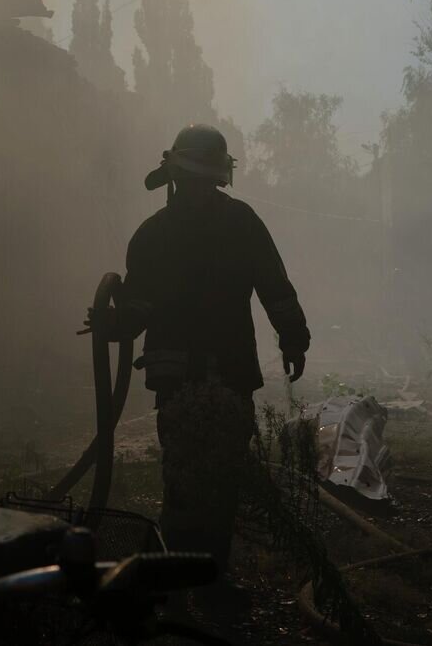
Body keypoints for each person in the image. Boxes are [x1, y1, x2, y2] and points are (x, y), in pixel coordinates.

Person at [89, 124, 310, 567]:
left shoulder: (159, 233)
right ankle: (191, 571)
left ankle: (197, 574)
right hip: (206, 377)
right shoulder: (231, 224)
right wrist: (115, 323)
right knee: (194, 472)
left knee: (205, 472)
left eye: (198, 182)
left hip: (202, 377)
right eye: (192, 182)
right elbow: (139, 308)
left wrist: (293, 336)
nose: (194, 190)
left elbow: (273, 288)